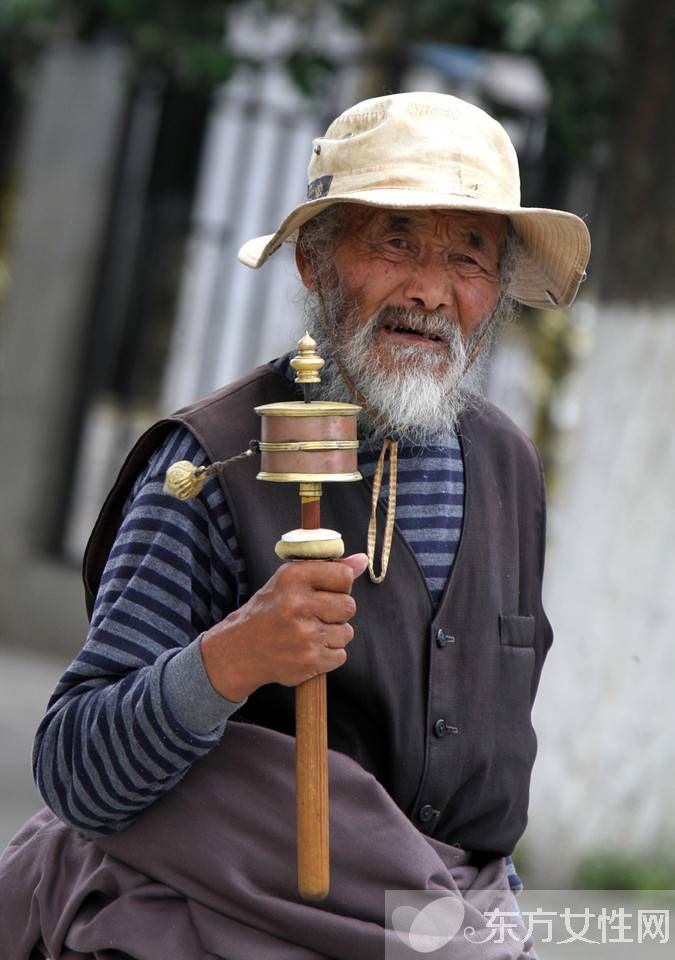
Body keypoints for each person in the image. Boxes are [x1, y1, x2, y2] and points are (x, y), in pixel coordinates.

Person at [0, 91, 590, 959]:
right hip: (220, 925)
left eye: (467, 256)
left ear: (497, 290)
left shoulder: (508, 467)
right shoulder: (213, 464)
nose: (429, 290)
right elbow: (78, 774)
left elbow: (480, 812)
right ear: (315, 262)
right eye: (395, 242)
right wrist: (230, 660)